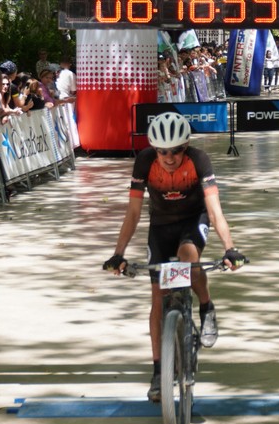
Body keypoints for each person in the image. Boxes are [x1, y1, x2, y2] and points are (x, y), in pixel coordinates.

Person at [102, 111, 246, 402]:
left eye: (176, 150)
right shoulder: (144, 162)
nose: (169, 157)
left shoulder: (199, 160)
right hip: (161, 226)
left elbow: (215, 211)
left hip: (194, 220)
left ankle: (206, 307)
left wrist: (230, 248)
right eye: (162, 151)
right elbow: (133, 212)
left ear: (186, 146)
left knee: (188, 258)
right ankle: (159, 372)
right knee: (158, 298)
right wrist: (118, 253)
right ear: (154, 149)